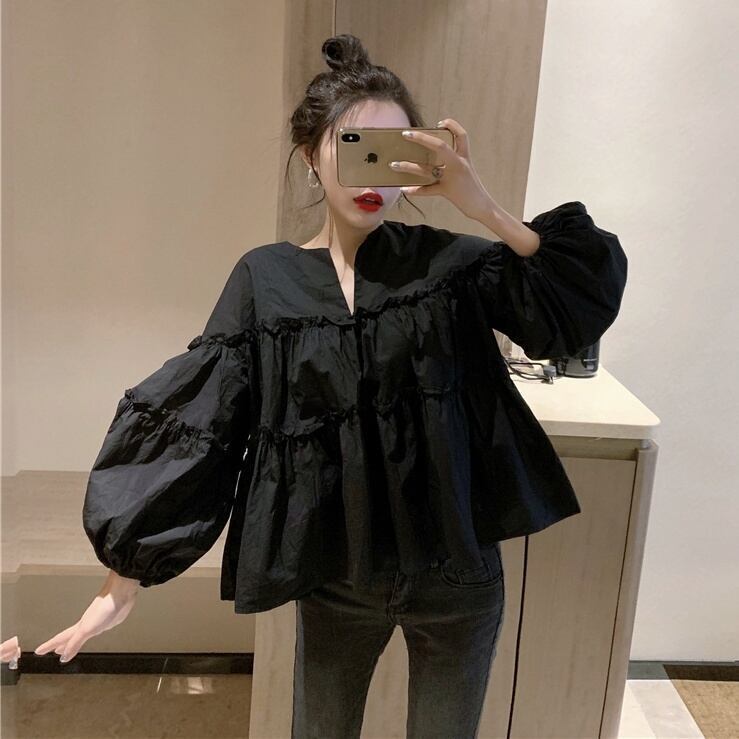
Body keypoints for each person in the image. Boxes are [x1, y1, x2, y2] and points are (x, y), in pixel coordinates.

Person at [34, 34, 627, 739]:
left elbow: (570, 305)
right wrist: (122, 577)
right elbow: (206, 419)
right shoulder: (265, 279)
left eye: (391, 152)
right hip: (335, 575)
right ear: (311, 155)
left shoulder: (450, 265)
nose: (372, 173)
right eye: (353, 147)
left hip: (458, 573)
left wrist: (483, 206)